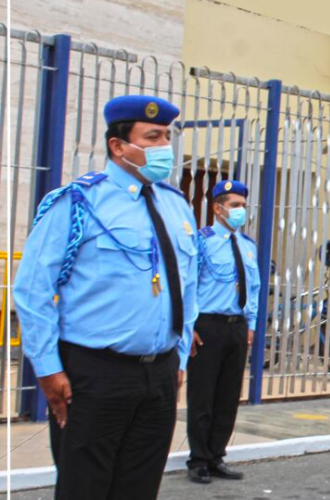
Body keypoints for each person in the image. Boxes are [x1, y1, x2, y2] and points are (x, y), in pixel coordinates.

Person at [13, 95, 197, 500]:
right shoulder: (79, 202)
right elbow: (32, 289)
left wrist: (179, 357)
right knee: (85, 485)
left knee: (140, 485)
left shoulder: (176, 205)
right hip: (95, 373)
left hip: (160, 374)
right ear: (118, 146)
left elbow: (189, 288)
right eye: (152, 137)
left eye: (167, 136)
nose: (165, 147)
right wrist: (46, 368)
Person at [187, 180, 261, 483]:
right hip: (207, 325)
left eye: (243, 205)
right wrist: (188, 326)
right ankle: (199, 460)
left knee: (228, 396)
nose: (240, 210)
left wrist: (252, 324)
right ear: (217, 209)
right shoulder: (202, 242)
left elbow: (253, 288)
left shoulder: (247, 246)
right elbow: (188, 285)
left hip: (236, 327)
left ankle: (217, 456)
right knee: (203, 394)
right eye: (234, 205)